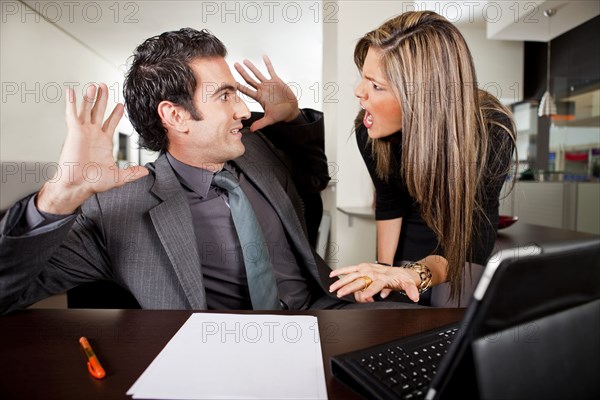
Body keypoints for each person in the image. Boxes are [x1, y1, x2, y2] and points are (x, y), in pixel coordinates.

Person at [0, 28, 421, 314]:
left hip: (324, 314)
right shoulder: (114, 211)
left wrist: (292, 117)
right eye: (225, 96)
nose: (242, 108)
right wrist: (58, 196)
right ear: (176, 116)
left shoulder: (254, 148)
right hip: (218, 353)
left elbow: (315, 176)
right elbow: (8, 291)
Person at [328, 11, 516, 306]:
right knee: (395, 309)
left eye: (377, 86)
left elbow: (473, 242)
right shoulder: (369, 128)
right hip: (413, 228)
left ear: (423, 101)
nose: (359, 93)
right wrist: (384, 276)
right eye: (363, 79)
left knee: (449, 312)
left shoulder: (491, 132)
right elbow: (390, 202)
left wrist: (418, 274)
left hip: (464, 235)